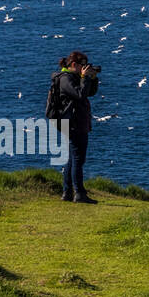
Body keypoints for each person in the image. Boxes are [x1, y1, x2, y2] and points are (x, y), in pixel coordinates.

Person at [54, 51, 100, 204]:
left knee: (73, 158)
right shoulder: (65, 79)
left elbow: (89, 93)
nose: (85, 68)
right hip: (73, 123)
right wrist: (85, 77)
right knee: (78, 158)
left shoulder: (71, 77)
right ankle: (79, 193)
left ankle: (67, 192)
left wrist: (92, 79)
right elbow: (80, 94)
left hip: (76, 121)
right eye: (83, 65)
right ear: (74, 65)